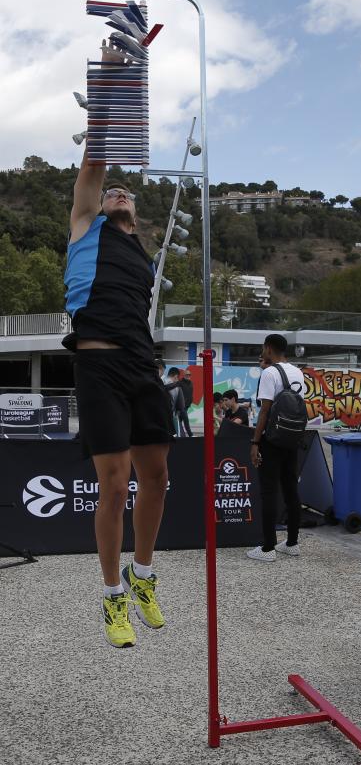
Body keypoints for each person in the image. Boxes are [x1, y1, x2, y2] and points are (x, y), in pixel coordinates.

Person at [63, 43, 173, 649]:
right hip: (97, 361)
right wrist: (112, 81)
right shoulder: (85, 224)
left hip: (141, 364)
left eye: (128, 194)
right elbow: (95, 163)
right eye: (113, 191)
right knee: (115, 480)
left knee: (157, 477)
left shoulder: (144, 253)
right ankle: (111, 598)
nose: (119, 192)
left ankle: (144, 575)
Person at [247, 334, 305, 562]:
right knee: (291, 489)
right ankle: (292, 542)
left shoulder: (269, 373)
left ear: (268, 349)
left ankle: (268, 547)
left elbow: (265, 410)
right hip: (292, 438)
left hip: (272, 440)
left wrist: (255, 442)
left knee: (269, 491)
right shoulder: (297, 372)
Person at [165, 367, 186, 437]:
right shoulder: (177, 387)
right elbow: (181, 405)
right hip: (171, 416)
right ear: (176, 376)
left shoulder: (159, 381)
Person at [178, 369, 194, 437]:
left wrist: (190, 401)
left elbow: (190, 393)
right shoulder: (180, 383)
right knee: (186, 419)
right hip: (181, 405)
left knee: (180, 420)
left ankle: (180, 433)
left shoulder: (191, 383)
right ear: (184, 375)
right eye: (187, 374)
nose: (188, 376)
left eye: (189, 374)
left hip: (187, 405)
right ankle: (190, 434)